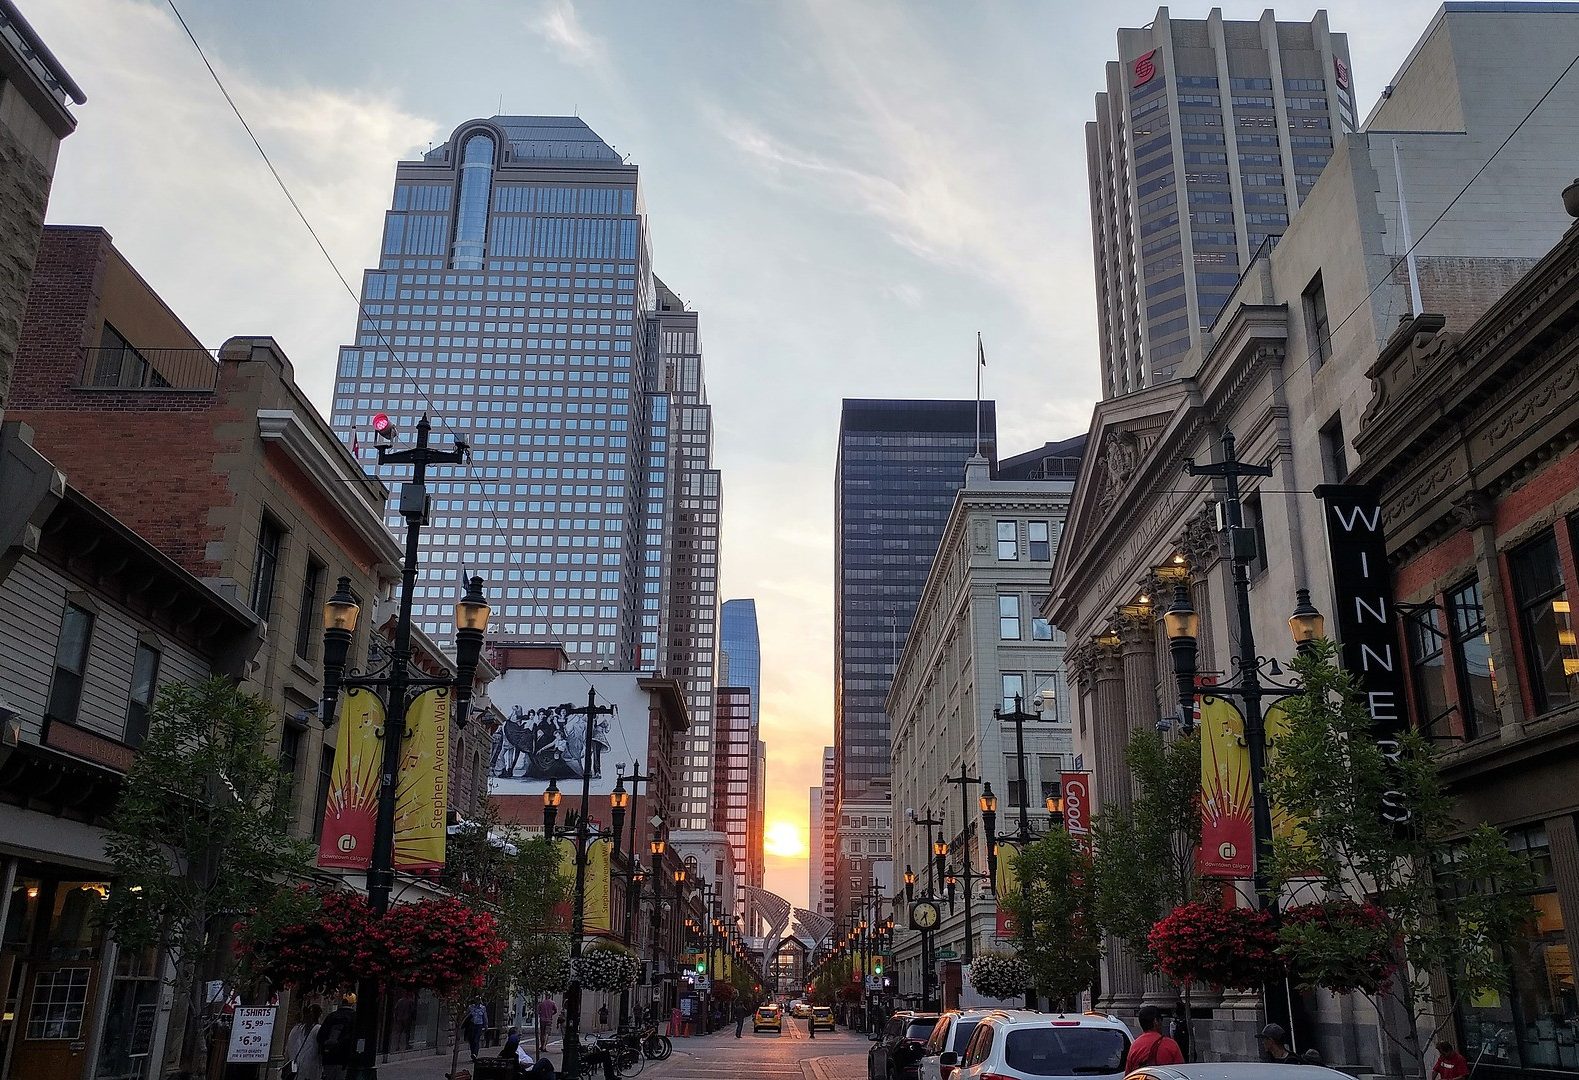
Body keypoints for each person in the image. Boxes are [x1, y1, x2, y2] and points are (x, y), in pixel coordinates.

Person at [1126, 1005, 1185, 1070]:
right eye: (1161, 1020)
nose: (1161, 1023)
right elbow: (1181, 1071)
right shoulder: (1170, 1045)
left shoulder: (1134, 1046)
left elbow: (1129, 1075)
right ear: (1156, 1021)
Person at [316, 994, 359, 1080]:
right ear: (353, 1004)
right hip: (344, 1059)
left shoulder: (331, 1016)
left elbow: (320, 1036)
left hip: (329, 1057)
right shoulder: (355, 1017)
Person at [283, 1003, 323, 1080]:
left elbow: (288, 1048)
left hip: (296, 1066)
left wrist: (287, 1060)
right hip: (308, 1067)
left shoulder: (296, 1028)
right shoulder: (318, 1029)